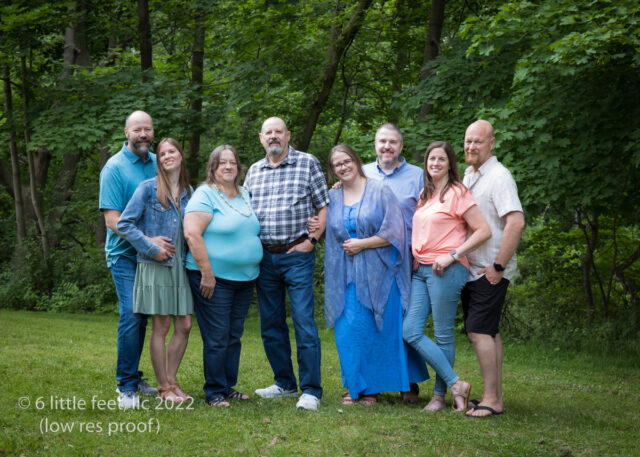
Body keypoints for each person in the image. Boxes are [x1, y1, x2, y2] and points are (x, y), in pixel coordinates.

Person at [312, 123, 426, 402]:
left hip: (382, 272)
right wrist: (312, 225)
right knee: (350, 331)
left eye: (347, 161)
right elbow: (324, 226)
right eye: (337, 164)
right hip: (346, 275)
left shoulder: (379, 190)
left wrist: (362, 244)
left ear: (356, 161)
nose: (343, 167)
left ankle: (391, 385)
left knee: (383, 330)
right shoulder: (332, 196)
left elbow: (396, 232)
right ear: (333, 170)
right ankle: (359, 386)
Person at [244, 117, 329, 411]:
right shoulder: (254, 171)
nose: (274, 136)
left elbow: (324, 205)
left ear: (288, 135)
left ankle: (311, 390)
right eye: (268, 132)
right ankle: (284, 383)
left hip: (297, 254)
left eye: (278, 131)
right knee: (271, 324)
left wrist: (312, 240)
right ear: (261, 137)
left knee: (304, 321)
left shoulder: (307, 163)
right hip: (264, 257)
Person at [402, 141, 491, 412]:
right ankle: (456, 384)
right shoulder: (425, 194)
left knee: (443, 335)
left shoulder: (458, 192)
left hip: (446, 269)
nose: (435, 163)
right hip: (421, 269)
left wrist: (452, 255)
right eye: (431, 159)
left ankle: (439, 397)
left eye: (441, 159)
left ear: (450, 164)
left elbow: (483, 230)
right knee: (410, 331)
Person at [184, 145, 262, 408]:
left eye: (232, 162)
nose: (228, 167)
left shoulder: (245, 194)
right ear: (213, 167)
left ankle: (227, 386)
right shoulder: (205, 194)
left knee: (233, 335)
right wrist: (207, 273)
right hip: (213, 278)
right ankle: (214, 392)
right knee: (217, 336)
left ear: (239, 167)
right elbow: (191, 234)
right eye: (222, 163)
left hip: (245, 279)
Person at [117, 138, 194, 404]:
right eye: (162, 154)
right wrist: (150, 246)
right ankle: (163, 387)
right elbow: (124, 224)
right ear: (158, 160)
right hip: (156, 265)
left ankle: (172, 382)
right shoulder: (148, 188)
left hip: (180, 266)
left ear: (181, 155)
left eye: (172, 151)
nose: (167, 156)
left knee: (184, 324)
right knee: (161, 326)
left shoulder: (189, 192)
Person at [462, 120, 525, 418]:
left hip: (490, 269)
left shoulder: (499, 177)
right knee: (489, 332)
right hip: (474, 269)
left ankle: (492, 400)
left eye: (478, 141)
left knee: (478, 331)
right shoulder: (470, 175)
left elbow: (516, 222)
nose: (471, 146)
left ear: (492, 143)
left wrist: (499, 266)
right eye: (468, 141)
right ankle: (494, 395)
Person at [99, 110, 160, 408]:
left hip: (153, 255)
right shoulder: (114, 168)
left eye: (147, 129)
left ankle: (134, 377)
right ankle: (125, 386)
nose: (143, 134)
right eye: (137, 130)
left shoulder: (158, 163)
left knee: (142, 315)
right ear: (126, 132)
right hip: (124, 255)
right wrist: (148, 243)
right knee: (132, 313)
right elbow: (112, 220)